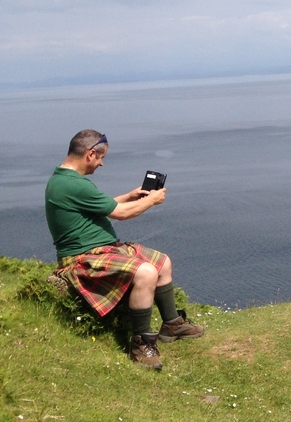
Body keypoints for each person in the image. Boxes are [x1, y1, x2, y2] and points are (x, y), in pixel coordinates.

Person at [45, 129, 204, 370]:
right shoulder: (73, 184)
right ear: (89, 154)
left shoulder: (68, 180)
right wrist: (151, 200)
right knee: (147, 272)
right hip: (82, 258)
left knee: (162, 262)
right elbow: (121, 214)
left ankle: (172, 324)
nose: (102, 164)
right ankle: (141, 344)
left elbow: (104, 205)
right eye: (100, 158)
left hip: (104, 250)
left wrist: (131, 196)